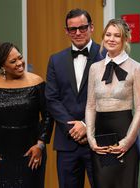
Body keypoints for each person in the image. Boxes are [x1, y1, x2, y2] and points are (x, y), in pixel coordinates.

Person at [0, 42, 53, 188]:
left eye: (20, 57)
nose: (19, 63)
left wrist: (40, 145)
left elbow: (48, 116)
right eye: (13, 61)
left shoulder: (37, 82)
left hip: (31, 152)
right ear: (2, 66)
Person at [45, 8, 105, 188]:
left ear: (91, 27)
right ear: (66, 31)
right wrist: (73, 127)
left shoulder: (106, 55)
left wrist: (86, 125)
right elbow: (52, 98)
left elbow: (108, 97)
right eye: (73, 29)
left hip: (98, 139)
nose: (78, 33)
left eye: (82, 28)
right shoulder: (55, 60)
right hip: (67, 141)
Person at [86, 18, 140, 188]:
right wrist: (91, 138)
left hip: (126, 132)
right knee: (103, 184)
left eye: (117, 35)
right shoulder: (95, 68)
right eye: (108, 35)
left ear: (125, 39)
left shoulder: (136, 68)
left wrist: (127, 141)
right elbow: (90, 105)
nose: (111, 39)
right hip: (101, 137)